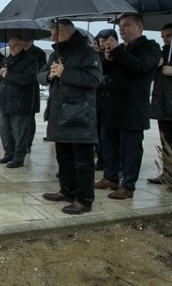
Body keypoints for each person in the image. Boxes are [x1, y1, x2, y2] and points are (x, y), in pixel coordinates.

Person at [39, 19, 102, 214]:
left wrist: (65, 73)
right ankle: (66, 190)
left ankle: (84, 199)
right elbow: (40, 76)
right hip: (59, 114)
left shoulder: (87, 53)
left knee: (82, 161)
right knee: (63, 156)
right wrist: (50, 75)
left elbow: (94, 79)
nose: (52, 35)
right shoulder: (56, 54)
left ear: (68, 31)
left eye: (55, 31)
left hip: (79, 115)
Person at [96, 14, 161, 199]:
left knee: (130, 149)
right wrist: (107, 59)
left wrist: (117, 51)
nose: (122, 29)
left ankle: (128, 185)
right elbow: (104, 72)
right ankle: (110, 176)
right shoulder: (120, 48)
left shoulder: (150, 48)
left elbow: (138, 66)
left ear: (140, 27)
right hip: (112, 106)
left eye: (127, 25)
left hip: (132, 108)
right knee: (108, 145)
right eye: (120, 25)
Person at [0, 36, 38, 168]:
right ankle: (8, 153)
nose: (12, 48)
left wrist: (8, 75)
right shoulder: (6, 60)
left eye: (15, 45)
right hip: (5, 100)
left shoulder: (30, 61)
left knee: (20, 131)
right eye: (10, 45)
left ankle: (19, 157)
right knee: (5, 130)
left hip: (20, 102)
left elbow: (27, 78)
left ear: (22, 45)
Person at [148, 23, 172, 184]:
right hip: (163, 103)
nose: (165, 40)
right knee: (165, 140)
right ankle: (168, 173)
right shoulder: (163, 52)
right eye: (163, 36)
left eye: (168, 36)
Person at [93, 29, 118, 170]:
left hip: (110, 101)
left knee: (108, 136)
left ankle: (109, 162)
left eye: (105, 41)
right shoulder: (97, 56)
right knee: (99, 134)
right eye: (100, 42)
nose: (102, 45)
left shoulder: (117, 55)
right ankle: (101, 159)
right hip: (98, 100)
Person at [24, 39, 47, 153]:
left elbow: (42, 70)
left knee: (30, 118)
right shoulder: (19, 52)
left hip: (32, 88)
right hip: (19, 90)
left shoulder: (39, 53)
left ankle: (28, 143)